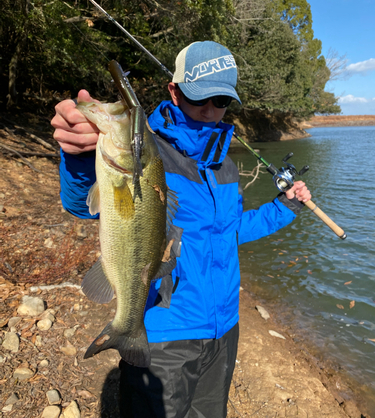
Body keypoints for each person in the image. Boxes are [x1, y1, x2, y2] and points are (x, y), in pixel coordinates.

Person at [51, 41, 311, 418]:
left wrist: (284, 208)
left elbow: (229, 230)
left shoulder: (225, 165)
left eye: (220, 100)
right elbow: (82, 203)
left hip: (224, 329)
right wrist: (76, 158)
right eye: (197, 98)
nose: (208, 110)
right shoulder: (145, 150)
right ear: (174, 91)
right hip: (165, 332)